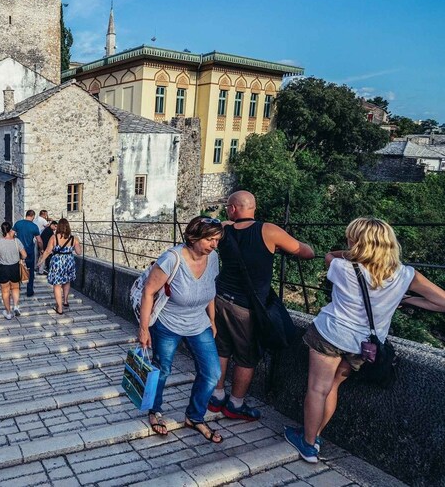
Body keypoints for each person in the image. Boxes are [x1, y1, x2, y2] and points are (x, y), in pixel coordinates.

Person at [285, 217, 445, 462]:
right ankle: (314, 436)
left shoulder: (341, 266)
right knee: (333, 388)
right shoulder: (406, 275)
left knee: (318, 389)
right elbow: (441, 302)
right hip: (364, 345)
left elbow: (329, 255)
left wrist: (351, 251)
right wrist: (407, 299)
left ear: (356, 242)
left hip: (331, 334)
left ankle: (307, 444)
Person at [210, 190, 315, 421]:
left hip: (219, 299)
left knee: (221, 349)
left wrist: (225, 222)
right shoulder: (268, 230)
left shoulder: (222, 230)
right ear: (253, 208)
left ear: (233, 209)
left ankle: (216, 396)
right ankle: (235, 404)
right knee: (247, 357)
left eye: (228, 207)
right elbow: (307, 252)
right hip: (246, 308)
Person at [137, 217, 224, 443]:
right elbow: (148, 292)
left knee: (212, 373)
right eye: (209, 239)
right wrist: (144, 329)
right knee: (162, 369)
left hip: (199, 323)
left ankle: (195, 416)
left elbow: (210, 290)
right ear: (193, 237)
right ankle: (154, 411)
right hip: (168, 324)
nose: (214, 244)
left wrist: (212, 320)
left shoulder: (213, 258)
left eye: (217, 239)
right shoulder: (172, 259)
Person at [37, 218, 82, 314]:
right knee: (66, 281)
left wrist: (41, 261)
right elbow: (79, 252)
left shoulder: (54, 238)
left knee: (57, 285)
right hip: (69, 261)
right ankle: (65, 301)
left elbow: (48, 251)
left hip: (57, 262)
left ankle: (60, 308)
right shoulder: (74, 238)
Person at [0, 222, 27, 319]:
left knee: (5, 291)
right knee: (15, 288)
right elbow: (25, 255)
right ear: (10, 230)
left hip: (3, 268)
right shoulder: (16, 241)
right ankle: (16, 306)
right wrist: (21, 259)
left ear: (2, 230)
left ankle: (8, 313)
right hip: (15, 267)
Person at [13, 210, 42, 297]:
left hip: (18, 251)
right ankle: (29, 291)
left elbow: (11, 234)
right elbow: (39, 240)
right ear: (33, 216)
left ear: (26, 215)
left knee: (17, 269)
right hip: (29, 251)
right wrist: (42, 249)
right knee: (30, 270)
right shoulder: (34, 226)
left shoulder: (18, 223)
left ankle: (16, 288)